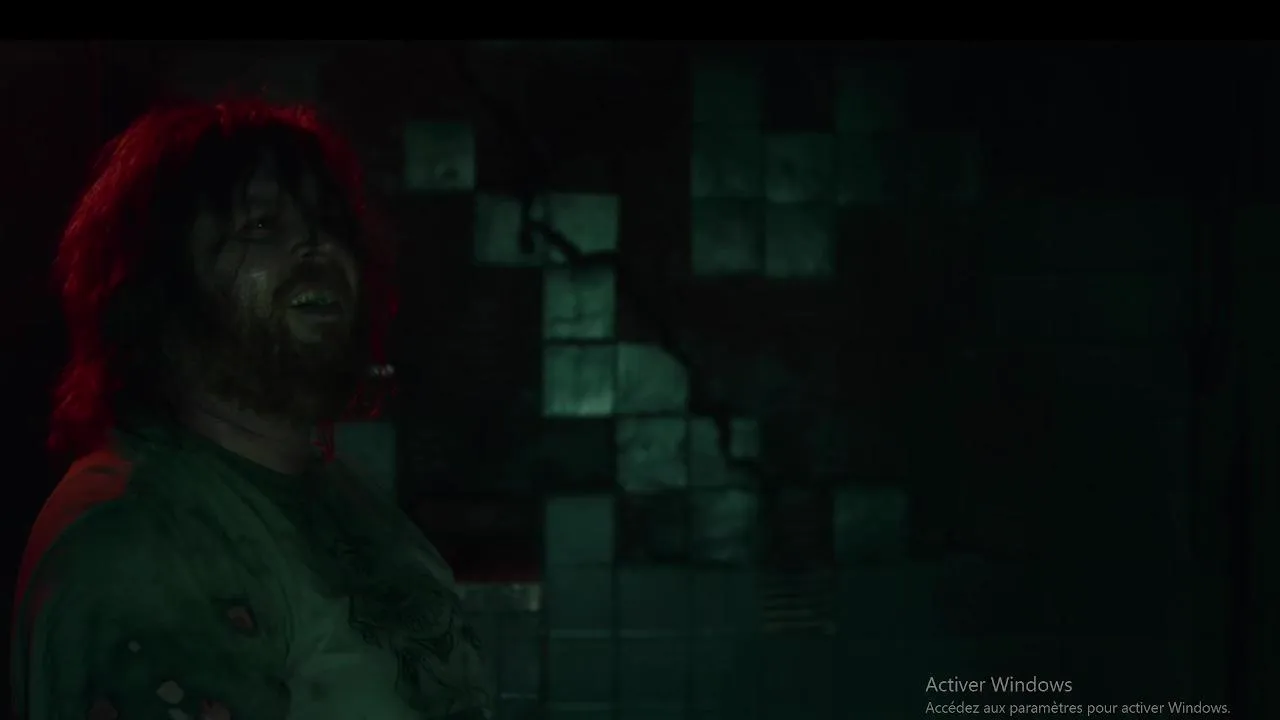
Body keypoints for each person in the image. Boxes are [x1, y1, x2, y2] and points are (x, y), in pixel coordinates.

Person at [11, 99, 493, 719]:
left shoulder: (337, 496)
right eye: (262, 225)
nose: (318, 244)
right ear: (161, 286)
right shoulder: (144, 540)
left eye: (328, 221)